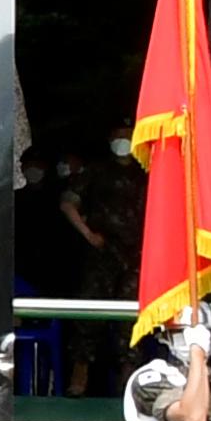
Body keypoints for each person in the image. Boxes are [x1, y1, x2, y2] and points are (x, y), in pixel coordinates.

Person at [61, 131, 145, 394]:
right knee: (90, 316)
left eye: (127, 136)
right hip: (102, 254)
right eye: (118, 136)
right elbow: (67, 203)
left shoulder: (146, 171)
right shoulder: (97, 172)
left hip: (135, 256)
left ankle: (128, 383)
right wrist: (88, 234)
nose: (123, 141)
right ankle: (79, 378)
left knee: (130, 321)